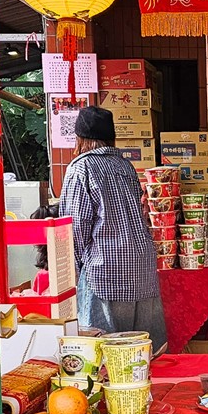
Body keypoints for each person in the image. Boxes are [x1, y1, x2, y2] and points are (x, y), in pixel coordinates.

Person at [58, 106, 167, 349]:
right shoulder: (125, 166)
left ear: (79, 138)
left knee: (103, 353)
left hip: (105, 269)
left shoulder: (81, 168)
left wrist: (72, 273)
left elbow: (75, 228)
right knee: (141, 349)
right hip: (141, 267)